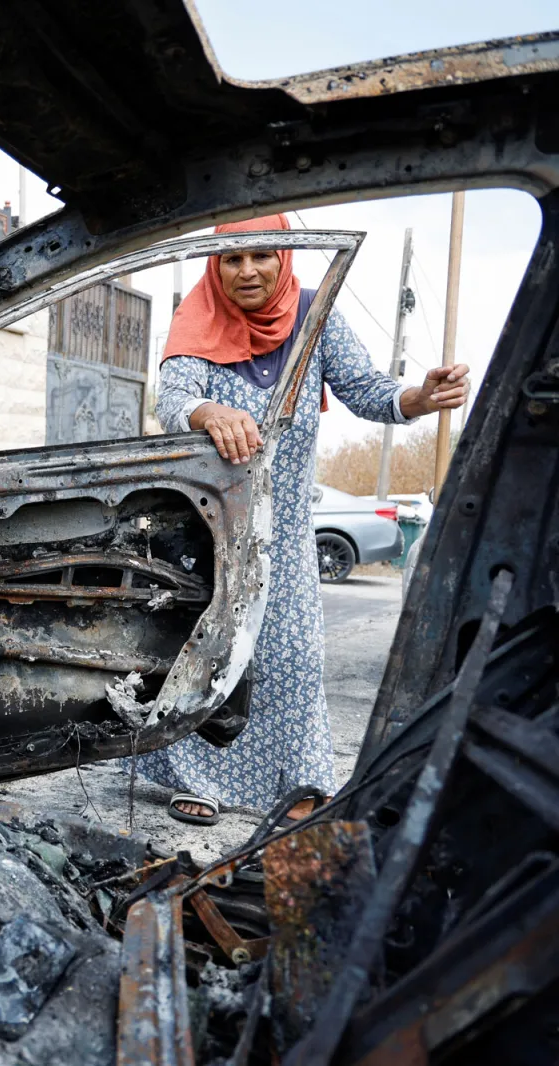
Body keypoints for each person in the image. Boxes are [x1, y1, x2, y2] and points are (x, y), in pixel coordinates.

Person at [136, 214, 471, 826]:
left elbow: (368, 391)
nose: (247, 271)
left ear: (284, 257)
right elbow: (173, 400)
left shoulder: (314, 314)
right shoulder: (197, 312)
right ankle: (195, 777)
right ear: (217, 265)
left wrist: (420, 397)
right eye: (233, 259)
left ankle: (300, 782)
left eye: (261, 256)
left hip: (284, 527)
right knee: (201, 649)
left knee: (292, 657)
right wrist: (209, 412)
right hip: (206, 527)